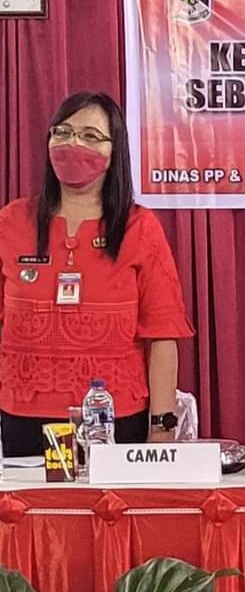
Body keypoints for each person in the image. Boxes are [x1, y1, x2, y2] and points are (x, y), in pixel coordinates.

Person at [0, 92, 193, 456]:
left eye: (90, 136)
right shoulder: (12, 221)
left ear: (114, 151)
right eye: (63, 132)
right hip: (22, 421)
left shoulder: (139, 228)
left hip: (116, 421)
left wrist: (161, 430)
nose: (73, 144)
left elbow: (163, 336)